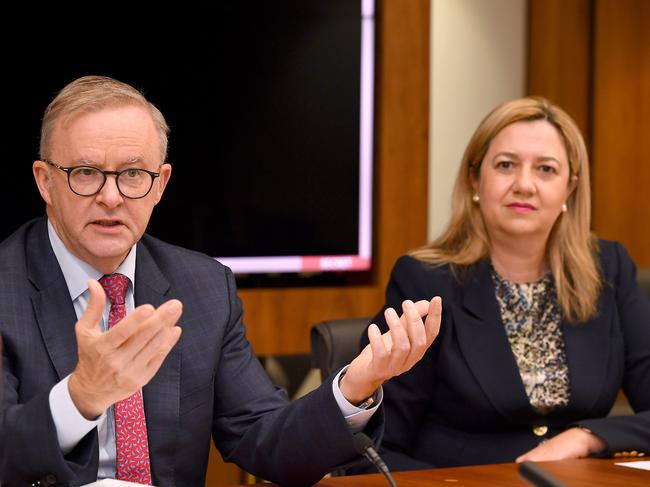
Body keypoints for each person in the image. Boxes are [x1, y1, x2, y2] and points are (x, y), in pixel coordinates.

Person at [0, 75, 442, 487]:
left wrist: (354, 386)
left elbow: (264, 440)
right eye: (86, 173)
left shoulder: (204, 286)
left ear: (160, 185)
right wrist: (79, 399)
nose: (111, 196)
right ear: (45, 181)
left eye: (133, 174)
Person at [361, 97, 650, 471]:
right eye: (506, 165)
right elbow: (377, 448)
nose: (525, 185)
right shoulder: (424, 279)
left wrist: (586, 436)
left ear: (570, 189)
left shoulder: (607, 269)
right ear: (475, 178)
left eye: (546, 169)